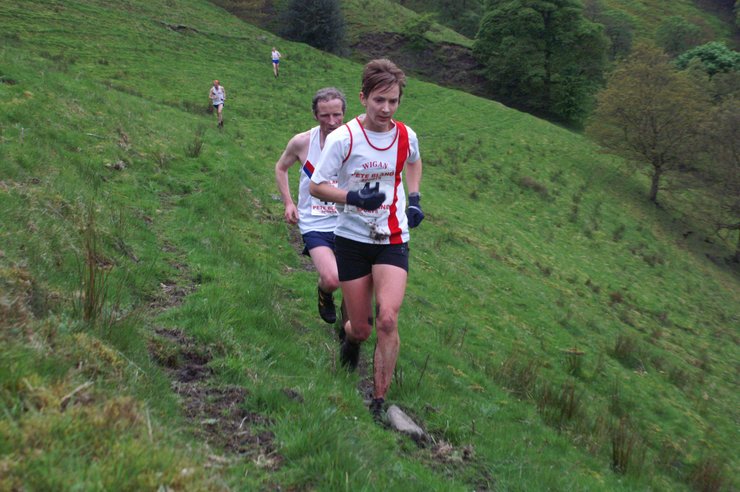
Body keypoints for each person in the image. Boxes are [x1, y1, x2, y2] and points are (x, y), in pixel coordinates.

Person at [309, 59, 424, 421]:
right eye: (379, 100)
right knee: (360, 328)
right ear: (363, 98)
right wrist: (353, 198)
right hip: (352, 238)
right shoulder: (344, 138)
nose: (386, 109)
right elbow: (317, 186)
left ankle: (378, 400)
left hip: (392, 236)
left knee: (387, 318)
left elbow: (414, 161)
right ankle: (349, 338)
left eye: (393, 101)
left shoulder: (406, 135)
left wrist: (415, 198)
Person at [275, 88, 347, 324]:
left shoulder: (354, 143)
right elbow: (281, 168)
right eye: (325, 116)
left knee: (353, 283)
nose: (332, 122)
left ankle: (349, 332)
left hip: (349, 222)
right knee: (333, 279)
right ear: (315, 115)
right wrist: (288, 202)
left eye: (337, 115)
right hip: (314, 221)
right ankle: (325, 293)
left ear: (344, 114)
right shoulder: (302, 142)